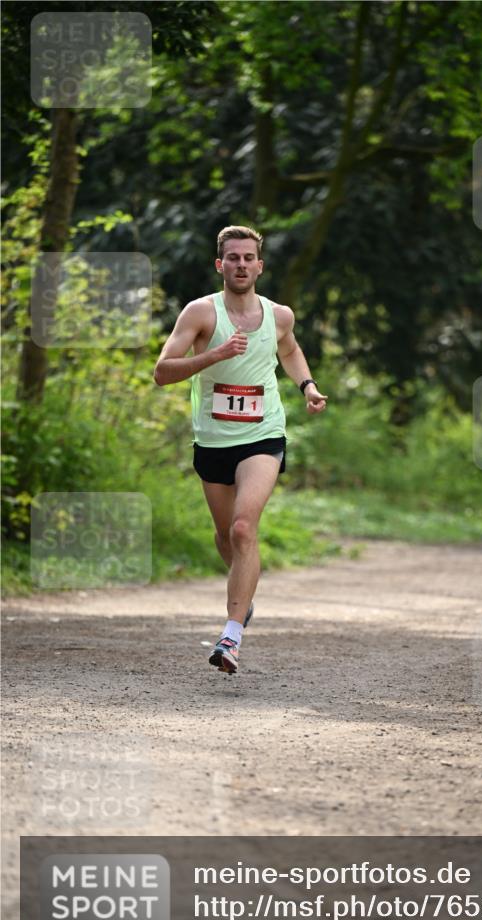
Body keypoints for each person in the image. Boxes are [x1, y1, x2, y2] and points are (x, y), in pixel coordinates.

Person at [154, 225, 327, 674]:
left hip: (263, 434)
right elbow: (163, 371)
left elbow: (289, 350)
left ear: (260, 266)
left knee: (244, 529)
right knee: (225, 534)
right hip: (212, 440)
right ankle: (244, 589)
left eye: (249, 258)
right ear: (220, 265)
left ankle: (231, 635)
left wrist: (307, 386)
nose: (241, 265)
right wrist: (213, 355)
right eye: (233, 258)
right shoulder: (200, 313)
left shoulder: (279, 315)